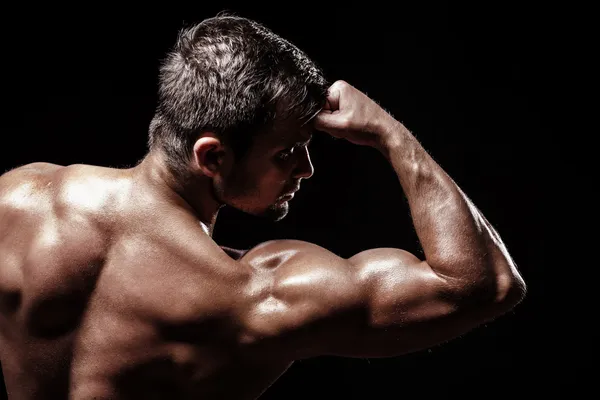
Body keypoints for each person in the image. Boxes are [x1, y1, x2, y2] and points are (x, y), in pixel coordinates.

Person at [0, 13, 526, 400]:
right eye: (286, 152)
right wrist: (391, 136)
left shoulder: (18, 198)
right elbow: (482, 285)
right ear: (213, 156)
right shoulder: (252, 295)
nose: (305, 170)